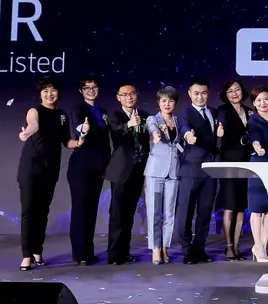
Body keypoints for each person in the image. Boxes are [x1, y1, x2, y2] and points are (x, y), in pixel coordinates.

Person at [17, 77, 85, 271]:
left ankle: (37, 250)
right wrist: (27, 132)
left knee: (43, 211)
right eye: (45, 91)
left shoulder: (62, 115)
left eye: (53, 90)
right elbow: (33, 124)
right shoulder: (34, 111)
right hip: (31, 167)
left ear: (58, 93)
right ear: (40, 94)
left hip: (51, 168)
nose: (49, 94)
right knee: (29, 211)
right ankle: (27, 255)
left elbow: (66, 142)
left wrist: (79, 142)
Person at [176, 77, 225, 264]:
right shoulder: (186, 112)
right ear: (189, 94)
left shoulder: (214, 112)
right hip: (191, 169)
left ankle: (199, 250)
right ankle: (187, 251)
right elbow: (184, 128)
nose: (200, 97)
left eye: (203, 93)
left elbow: (220, 130)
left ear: (208, 93)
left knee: (205, 212)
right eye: (196, 93)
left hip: (210, 170)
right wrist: (188, 136)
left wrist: (221, 132)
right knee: (186, 213)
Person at [104, 81, 151, 265]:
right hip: (121, 171)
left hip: (138, 170)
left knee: (130, 213)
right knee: (118, 213)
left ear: (137, 95)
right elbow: (116, 132)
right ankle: (114, 255)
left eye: (132, 93)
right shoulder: (114, 115)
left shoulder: (145, 116)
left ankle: (125, 252)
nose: (129, 97)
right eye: (124, 95)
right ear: (118, 98)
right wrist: (129, 124)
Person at [67, 74, 110, 266]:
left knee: (91, 209)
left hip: (98, 166)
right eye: (87, 88)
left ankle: (88, 251)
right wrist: (83, 131)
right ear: (81, 91)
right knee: (80, 209)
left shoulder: (102, 110)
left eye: (94, 87)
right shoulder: (78, 109)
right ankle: (79, 254)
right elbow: (78, 127)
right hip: (81, 167)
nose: (91, 91)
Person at [216, 79, 253, 261]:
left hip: (245, 162)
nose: (234, 93)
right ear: (226, 94)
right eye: (230, 91)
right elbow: (221, 126)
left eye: (237, 90)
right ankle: (229, 247)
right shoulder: (223, 110)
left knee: (240, 206)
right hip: (229, 162)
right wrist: (220, 131)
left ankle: (237, 246)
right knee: (230, 205)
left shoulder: (249, 110)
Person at [144, 86, 182, 265]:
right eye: (164, 100)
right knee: (154, 213)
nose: (167, 104)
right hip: (155, 172)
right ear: (158, 102)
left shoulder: (178, 121)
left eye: (171, 100)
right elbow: (152, 128)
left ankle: (165, 247)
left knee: (169, 213)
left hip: (173, 172)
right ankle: (155, 248)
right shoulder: (153, 119)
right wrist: (156, 134)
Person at [248, 86, 268, 263]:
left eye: (266, 99)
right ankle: (258, 245)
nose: (263, 103)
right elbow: (254, 136)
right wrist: (257, 146)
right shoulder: (254, 120)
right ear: (254, 103)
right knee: (257, 209)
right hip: (259, 166)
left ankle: (263, 246)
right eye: (259, 100)